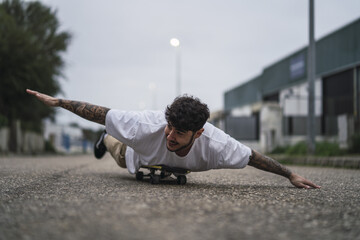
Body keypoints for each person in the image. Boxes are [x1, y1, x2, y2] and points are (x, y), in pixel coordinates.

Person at [26, 89, 321, 189]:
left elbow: (252, 157)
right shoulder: (146, 126)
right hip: (135, 152)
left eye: (179, 133)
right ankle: (107, 140)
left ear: (198, 133)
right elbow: (98, 112)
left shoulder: (217, 146)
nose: (170, 135)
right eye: (170, 128)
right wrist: (60, 102)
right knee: (118, 148)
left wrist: (290, 174)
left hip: (174, 157)